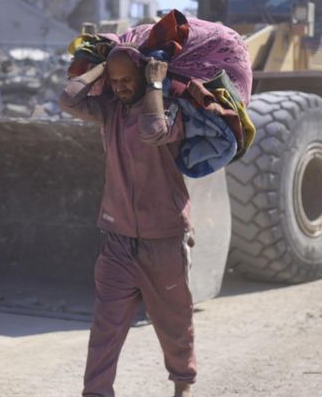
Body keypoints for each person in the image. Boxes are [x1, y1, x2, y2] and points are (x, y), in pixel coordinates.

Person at [59, 47, 196, 397]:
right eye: (114, 81)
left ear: (145, 76)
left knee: (174, 325)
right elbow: (69, 99)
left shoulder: (170, 110)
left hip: (163, 241)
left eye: (126, 80)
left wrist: (155, 85)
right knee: (105, 328)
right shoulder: (110, 111)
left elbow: (152, 131)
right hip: (118, 241)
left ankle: (183, 384)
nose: (119, 87)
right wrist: (102, 68)